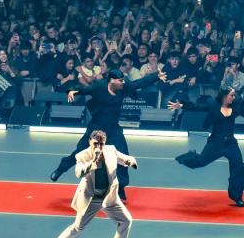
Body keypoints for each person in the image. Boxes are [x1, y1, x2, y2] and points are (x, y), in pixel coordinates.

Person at [49, 68, 165, 201]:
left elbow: (139, 83)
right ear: (111, 80)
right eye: (120, 80)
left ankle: (120, 188)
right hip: (96, 128)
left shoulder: (124, 86)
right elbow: (83, 89)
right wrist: (72, 90)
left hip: (113, 129)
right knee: (80, 153)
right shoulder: (99, 86)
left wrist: (156, 76)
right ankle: (61, 169)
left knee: (123, 156)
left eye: (123, 80)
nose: (123, 82)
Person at [46, 130, 137, 238]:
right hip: (91, 198)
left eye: (101, 144)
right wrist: (92, 163)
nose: (99, 147)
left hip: (109, 196)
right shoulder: (82, 155)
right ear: (90, 142)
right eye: (95, 144)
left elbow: (124, 158)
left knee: (126, 220)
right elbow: (78, 173)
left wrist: (131, 161)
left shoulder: (111, 150)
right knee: (77, 228)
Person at [168, 86, 244, 207]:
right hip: (215, 142)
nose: (234, 97)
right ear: (224, 96)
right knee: (200, 162)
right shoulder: (212, 104)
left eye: (234, 95)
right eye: (232, 95)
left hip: (230, 143)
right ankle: (186, 157)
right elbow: (197, 107)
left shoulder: (236, 105)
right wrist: (182, 105)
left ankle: (237, 197)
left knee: (239, 166)